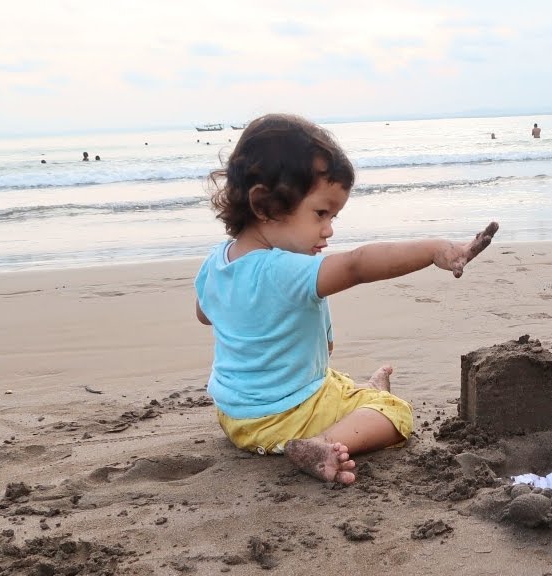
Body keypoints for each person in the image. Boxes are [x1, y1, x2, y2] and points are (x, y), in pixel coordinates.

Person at [194, 114, 496, 484]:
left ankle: (360, 396)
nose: (329, 229)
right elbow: (357, 265)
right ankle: (321, 443)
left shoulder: (216, 262)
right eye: (320, 213)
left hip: (235, 415)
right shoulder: (282, 269)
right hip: (285, 415)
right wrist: (435, 250)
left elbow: (205, 314)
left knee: (334, 381)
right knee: (395, 414)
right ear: (265, 206)